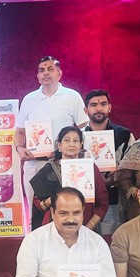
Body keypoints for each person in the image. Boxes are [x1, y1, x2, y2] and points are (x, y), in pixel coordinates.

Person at [13, 56, 88, 217]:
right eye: (42, 70)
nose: (46, 73)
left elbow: (84, 128)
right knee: (36, 213)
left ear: (59, 74)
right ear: (37, 76)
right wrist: (19, 148)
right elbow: (19, 132)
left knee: (65, 208)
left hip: (63, 164)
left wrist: (70, 150)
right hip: (34, 164)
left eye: (50, 69)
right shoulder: (29, 99)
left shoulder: (72, 96)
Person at [29, 126, 108, 230]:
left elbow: (102, 204)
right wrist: (49, 201)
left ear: (81, 145)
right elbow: (37, 203)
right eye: (67, 140)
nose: (71, 144)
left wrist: (87, 229)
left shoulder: (90, 168)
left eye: (76, 141)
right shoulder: (48, 170)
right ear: (59, 145)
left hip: (84, 227)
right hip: (53, 229)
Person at [82, 89, 135, 235]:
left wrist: (119, 171)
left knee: (110, 239)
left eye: (103, 104)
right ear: (86, 110)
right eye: (93, 105)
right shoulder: (77, 136)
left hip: (114, 198)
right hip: (83, 200)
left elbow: (132, 165)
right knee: (85, 241)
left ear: (110, 107)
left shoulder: (124, 135)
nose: (99, 108)